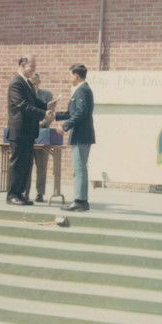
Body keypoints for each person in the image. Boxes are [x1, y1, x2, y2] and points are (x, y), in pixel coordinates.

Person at [6, 56, 56, 206]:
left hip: (28, 131)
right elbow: (23, 105)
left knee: (26, 165)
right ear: (23, 65)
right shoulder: (16, 82)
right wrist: (43, 114)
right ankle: (12, 195)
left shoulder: (27, 83)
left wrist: (47, 105)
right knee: (17, 163)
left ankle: (20, 193)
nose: (34, 69)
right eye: (32, 67)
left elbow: (34, 102)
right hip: (19, 131)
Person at [55, 63, 95, 212]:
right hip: (80, 135)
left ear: (76, 76)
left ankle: (80, 201)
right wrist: (54, 115)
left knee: (78, 169)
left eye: (70, 75)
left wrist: (64, 126)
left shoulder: (82, 90)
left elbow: (80, 113)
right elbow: (71, 113)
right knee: (79, 169)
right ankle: (81, 200)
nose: (69, 78)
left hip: (81, 136)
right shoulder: (81, 90)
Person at [25, 72, 53, 203]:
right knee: (27, 165)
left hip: (42, 133)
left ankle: (40, 193)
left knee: (41, 165)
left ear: (39, 82)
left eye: (34, 83)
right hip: (28, 134)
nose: (32, 86)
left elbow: (50, 114)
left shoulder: (46, 95)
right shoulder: (24, 95)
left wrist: (42, 123)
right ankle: (25, 192)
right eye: (30, 83)